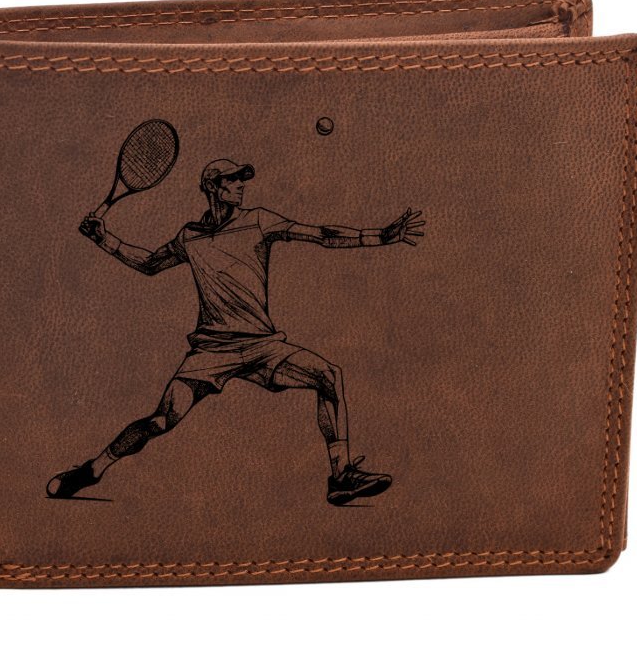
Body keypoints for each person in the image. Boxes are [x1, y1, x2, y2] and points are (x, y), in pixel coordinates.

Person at [47, 159, 425, 505]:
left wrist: (378, 236)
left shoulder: (259, 220)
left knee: (329, 375)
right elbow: (149, 263)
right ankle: (92, 469)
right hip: (211, 351)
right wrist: (104, 239)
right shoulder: (190, 236)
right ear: (213, 187)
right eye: (233, 180)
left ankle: (341, 476)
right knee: (160, 421)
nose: (242, 186)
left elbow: (320, 234)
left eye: (242, 180)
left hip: (262, 345)